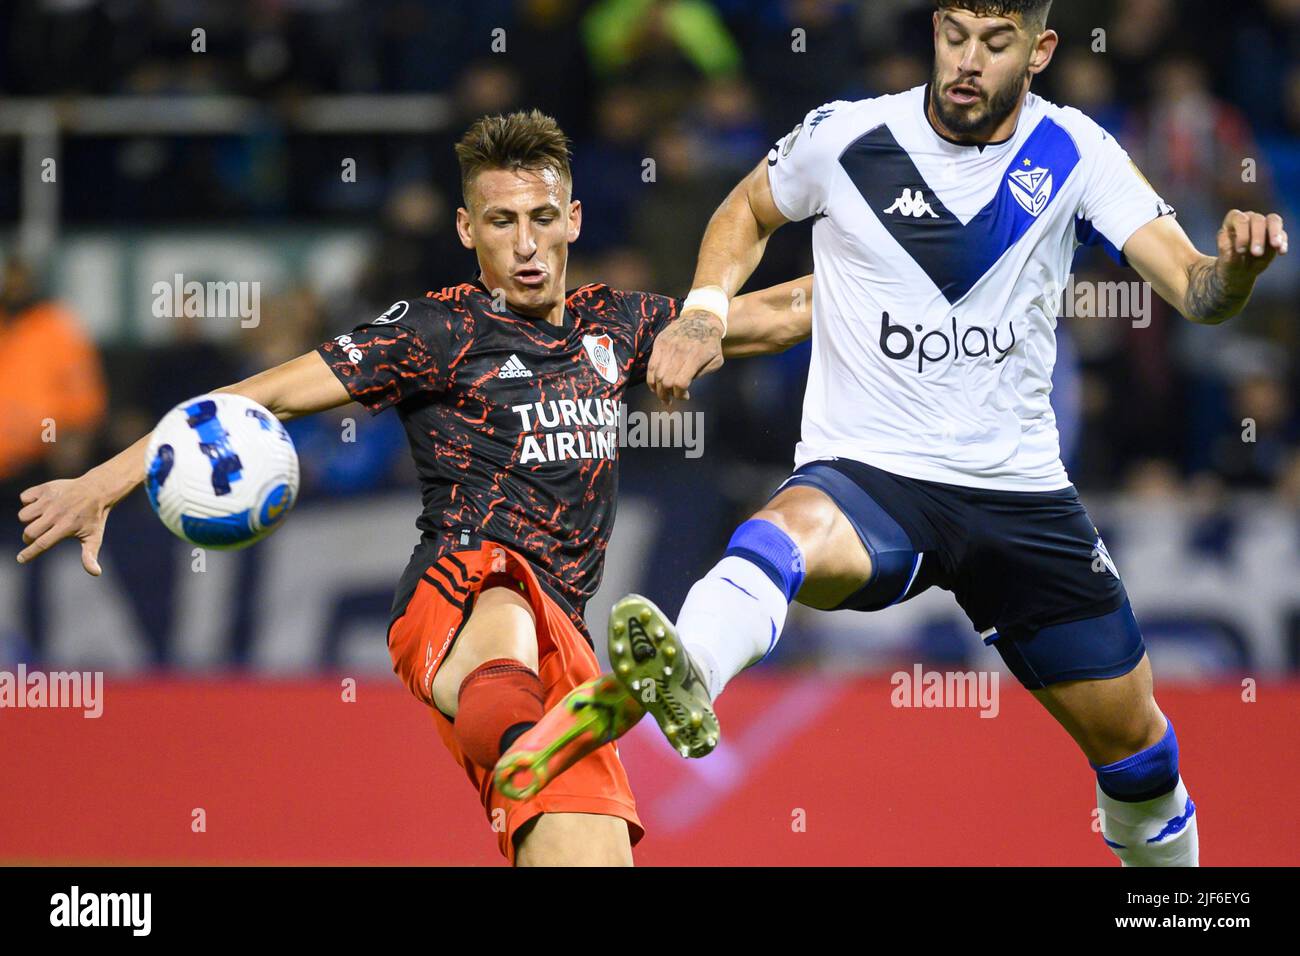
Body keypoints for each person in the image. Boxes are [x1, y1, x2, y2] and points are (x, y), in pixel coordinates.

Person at [509, 2, 1289, 867]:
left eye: (995, 44)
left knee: (1139, 757)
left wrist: (1239, 271)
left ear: (1042, 49)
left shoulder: (1078, 152)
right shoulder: (846, 134)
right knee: (783, 533)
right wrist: (701, 313)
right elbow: (746, 210)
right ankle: (690, 665)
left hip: (1019, 495)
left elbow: (1196, 291)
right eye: (953, 34)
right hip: (873, 476)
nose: (967, 60)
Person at [14, 109, 812, 867]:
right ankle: (524, 738)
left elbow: (778, 314)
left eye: (541, 218)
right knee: (507, 598)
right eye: (502, 223)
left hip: (565, 641)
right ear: (469, 231)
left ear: (572, 219)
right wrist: (105, 480)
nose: (526, 245)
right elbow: (273, 394)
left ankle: (547, 738)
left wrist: (910, 277)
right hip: (458, 589)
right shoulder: (433, 331)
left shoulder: (619, 325)